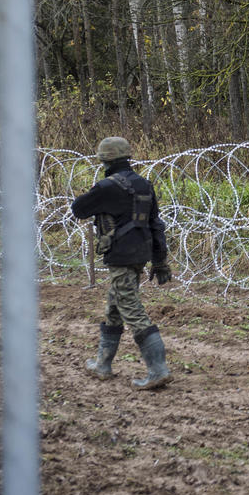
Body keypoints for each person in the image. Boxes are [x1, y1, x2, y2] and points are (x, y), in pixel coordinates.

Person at [71, 136, 173, 390]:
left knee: (131, 308)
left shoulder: (107, 187)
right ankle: (102, 364)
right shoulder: (144, 185)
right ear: (128, 157)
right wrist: (160, 261)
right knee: (114, 307)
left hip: (120, 255)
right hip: (141, 253)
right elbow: (156, 224)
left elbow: (78, 208)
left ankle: (158, 370)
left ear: (104, 159)